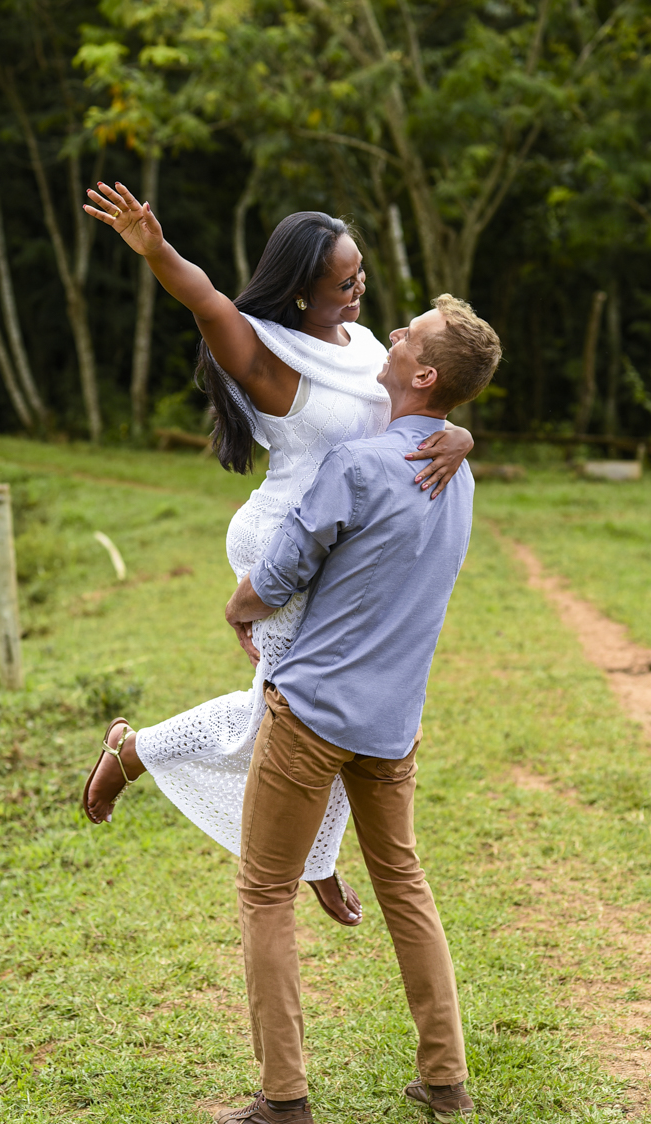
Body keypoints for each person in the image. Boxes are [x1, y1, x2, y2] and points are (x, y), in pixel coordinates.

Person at [81, 181, 473, 923]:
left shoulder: (362, 347)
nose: (360, 290)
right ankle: (133, 754)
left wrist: (458, 434)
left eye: (361, 275)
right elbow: (207, 303)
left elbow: (417, 404)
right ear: (301, 291)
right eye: (344, 281)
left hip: (344, 546)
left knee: (320, 708)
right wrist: (156, 247)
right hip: (285, 540)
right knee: (294, 713)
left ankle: (314, 856)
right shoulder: (270, 357)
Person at [211, 295, 502, 1124]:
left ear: (422, 375)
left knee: (265, 892)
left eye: (408, 334)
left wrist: (238, 608)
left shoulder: (360, 463)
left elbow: (284, 567)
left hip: (310, 713)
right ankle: (445, 1080)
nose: (392, 333)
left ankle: (285, 1104)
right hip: (394, 723)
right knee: (405, 886)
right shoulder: (457, 472)